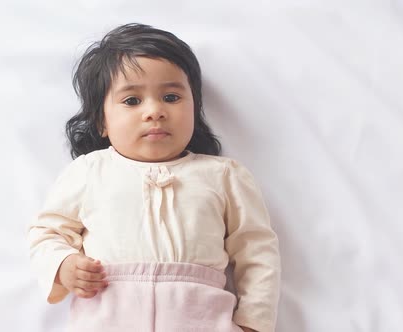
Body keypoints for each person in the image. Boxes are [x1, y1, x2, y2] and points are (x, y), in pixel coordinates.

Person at [28, 23, 280, 332]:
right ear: (101, 121)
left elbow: (257, 251)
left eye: (171, 97)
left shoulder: (224, 176)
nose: (154, 111)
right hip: (106, 316)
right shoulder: (89, 171)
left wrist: (254, 322)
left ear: (195, 108)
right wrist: (63, 265)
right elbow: (47, 233)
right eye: (132, 101)